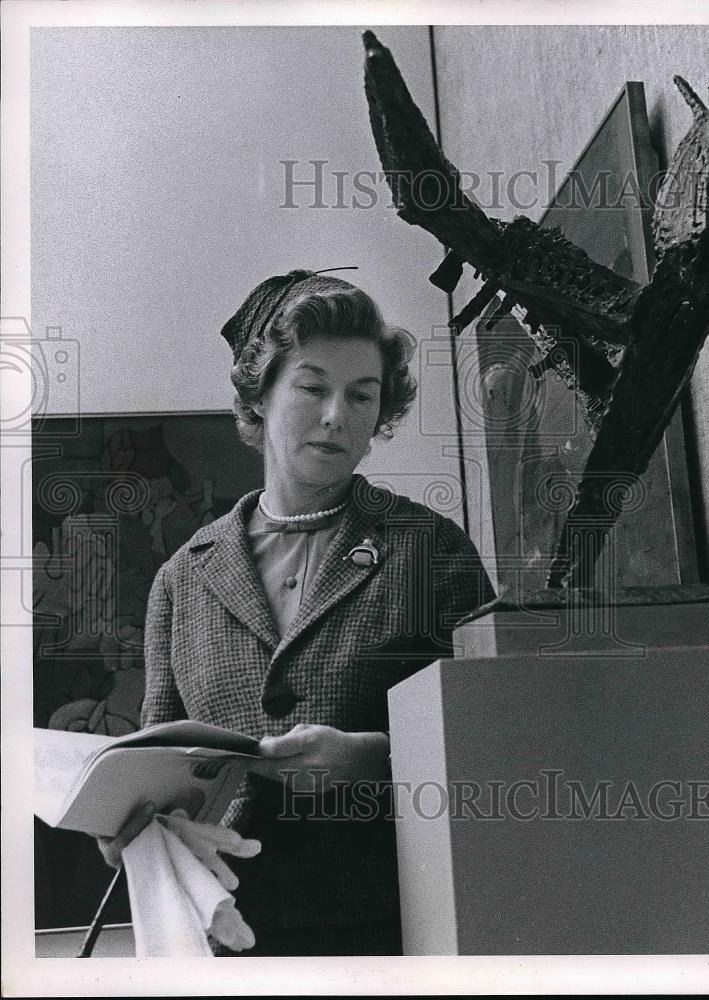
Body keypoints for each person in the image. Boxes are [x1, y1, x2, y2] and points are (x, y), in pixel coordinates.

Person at [99, 268, 495, 955]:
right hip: (229, 938)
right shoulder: (181, 579)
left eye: (362, 395)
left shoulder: (430, 550)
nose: (337, 414)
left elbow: (495, 747)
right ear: (260, 395)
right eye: (312, 388)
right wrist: (127, 828)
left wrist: (369, 760)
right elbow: (155, 775)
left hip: (404, 929)